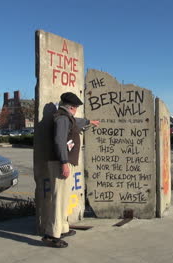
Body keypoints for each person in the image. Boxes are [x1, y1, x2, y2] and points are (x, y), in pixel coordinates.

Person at [42, 92, 100, 248]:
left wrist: (89, 122)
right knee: (59, 199)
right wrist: (64, 162)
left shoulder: (67, 118)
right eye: (76, 108)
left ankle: (62, 228)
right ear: (71, 107)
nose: (76, 111)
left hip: (64, 162)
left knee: (64, 198)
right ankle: (51, 235)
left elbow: (76, 123)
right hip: (60, 163)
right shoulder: (61, 118)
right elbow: (59, 141)